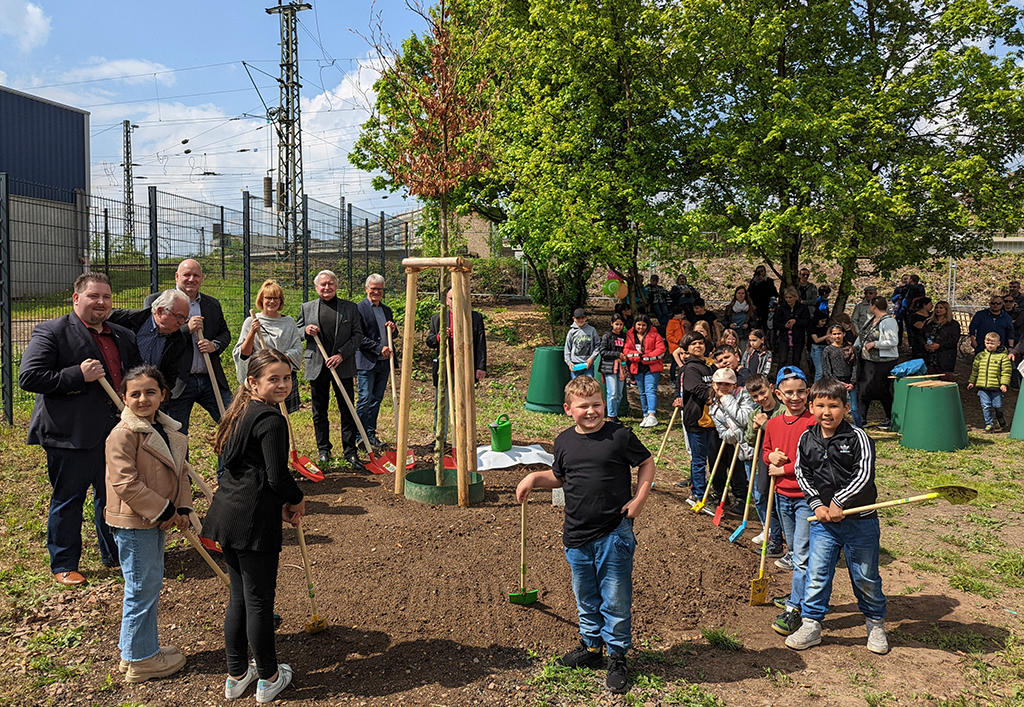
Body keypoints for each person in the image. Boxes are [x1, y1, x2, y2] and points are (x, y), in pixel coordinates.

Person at [515, 376, 655, 695]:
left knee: (615, 597)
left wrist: (640, 497)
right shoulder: (563, 441)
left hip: (614, 532)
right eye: (583, 406)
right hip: (576, 534)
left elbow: (646, 463)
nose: (591, 411)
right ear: (568, 409)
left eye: (597, 404)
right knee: (585, 595)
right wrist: (534, 477)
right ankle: (592, 648)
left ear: (604, 405)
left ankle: (617, 656)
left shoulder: (619, 435)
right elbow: (560, 478)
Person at [19, 273, 141, 586]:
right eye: (94, 296)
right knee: (69, 499)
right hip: (70, 435)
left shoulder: (123, 335)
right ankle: (64, 564)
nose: (101, 302)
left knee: (112, 497)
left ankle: (113, 554)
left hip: (116, 432)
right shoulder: (53, 331)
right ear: (76, 299)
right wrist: (78, 374)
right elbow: (30, 377)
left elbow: (135, 377)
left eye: (107, 297)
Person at [203, 349, 305, 704]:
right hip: (251, 522)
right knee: (259, 601)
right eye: (273, 378)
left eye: (287, 378)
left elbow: (250, 468)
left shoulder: (239, 412)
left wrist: (280, 498)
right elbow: (278, 477)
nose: (282, 384)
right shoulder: (271, 420)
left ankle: (235, 675)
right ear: (252, 382)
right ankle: (269, 677)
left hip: (226, 515)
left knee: (239, 598)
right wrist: (296, 498)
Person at [785, 378, 888, 654]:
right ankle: (811, 623)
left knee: (866, 576)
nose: (826, 412)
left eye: (834, 406)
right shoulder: (807, 438)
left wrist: (840, 501)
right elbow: (802, 473)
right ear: (811, 406)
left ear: (846, 408)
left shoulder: (858, 438)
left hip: (860, 521)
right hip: (824, 524)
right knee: (817, 575)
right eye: (820, 406)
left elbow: (864, 474)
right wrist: (818, 504)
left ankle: (875, 623)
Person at [104, 365, 190, 683]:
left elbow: (179, 473)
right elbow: (126, 484)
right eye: (135, 394)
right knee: (141, 587)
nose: (143, 398)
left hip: (157, 518)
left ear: (163, 395)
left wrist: (181, 507)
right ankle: (140, 660)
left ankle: (140, 649)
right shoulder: (123, 435)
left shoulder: (168, 432)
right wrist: (165, 510)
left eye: (150, 392)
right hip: (135, 521)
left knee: (150, 583)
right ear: (124, 398)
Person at [144, 259, 233, 436]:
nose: (191, 279)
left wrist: (214, 345)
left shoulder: (212, 304)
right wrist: (186, 329)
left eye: (196, 275)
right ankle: (180, 465)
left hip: (210, 378)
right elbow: (151, 338)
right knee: (176, 434)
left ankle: (227, 465)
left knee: (232, 425)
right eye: (187, 275)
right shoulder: (157, 302)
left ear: (202, 279)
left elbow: (225, 333)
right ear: (177, 277)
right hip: (178, 381)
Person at [763, 366, 816, 636]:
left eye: (800, 392)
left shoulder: (813, 423)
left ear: (808, 393)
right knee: (794, 552)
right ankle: (801, 593)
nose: (795, 397)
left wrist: (783, 469)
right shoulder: (772, 423)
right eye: (789, 393)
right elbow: (766, 450)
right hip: (782, 496)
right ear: (779, 394)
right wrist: (770, 458)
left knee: (803, 555)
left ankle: (796, 607)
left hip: (806, 498)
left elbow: (814, 461)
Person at [297, 270, 365, 471]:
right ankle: (324, 450)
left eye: (330, 284)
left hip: (341, 366)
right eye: (322, 284)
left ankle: (350, 452)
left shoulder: (350, 308)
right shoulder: (307, 308)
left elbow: (358, 335)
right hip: (317, 366)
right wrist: (305, 331)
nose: (327, 288)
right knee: (319, 410)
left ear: (336, 286)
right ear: (316, 287)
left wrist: (341, 355)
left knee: (347, 409)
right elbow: (296, 331)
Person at [232, 280, 302, 413]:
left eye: (276, 298)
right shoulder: (251, 321)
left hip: (282, 377)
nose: (272, 301)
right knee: (261, 413)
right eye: (268, 298)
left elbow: (297, 349)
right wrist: (252, 332)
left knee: (282, 417)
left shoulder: (288, 322)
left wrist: (279, 361)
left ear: (280, 301)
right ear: (261, 300)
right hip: (263, 379)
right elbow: (243, 354)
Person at [107, 289, 192, 398]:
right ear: (160, 311)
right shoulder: (127, 320)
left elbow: (170, 377)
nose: (181, 323)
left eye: (185, 319)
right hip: (114, 390)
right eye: (179, 316)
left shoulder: (178, 340)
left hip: (146, 398)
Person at [743, 374, 785, 558]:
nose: (760, 398)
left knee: (779, 501)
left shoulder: (784, 411)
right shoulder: (755, 413)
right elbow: (750, 441)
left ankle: (783, 541)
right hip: (764, 459)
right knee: (761, 498)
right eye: (755, 397)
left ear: (771, 387)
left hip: (782, 460)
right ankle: (774, 539)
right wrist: (754, 427)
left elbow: (782, 436)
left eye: (762, 392)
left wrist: (766, 425)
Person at [355, 274, 399, 449]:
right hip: (367, 362)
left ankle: (371, 435)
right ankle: (360, 436)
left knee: (376, 400)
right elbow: (358, 337)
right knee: (364, 399)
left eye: (379, 289)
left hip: (384, 362)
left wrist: (393, 330)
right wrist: (377, 348)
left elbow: (392, 335)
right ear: (367, 289)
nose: (376, 292)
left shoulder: (386, 310)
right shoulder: (359, 309)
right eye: (373, 288)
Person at [673, 332, 716, 502]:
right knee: (698, 459)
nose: (698, 346)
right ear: (687, 349)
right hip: (696, 418)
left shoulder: (709, 366)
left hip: (711, 419)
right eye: (693, 344)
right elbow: (699, 390)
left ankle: (700, 487)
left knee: (707, 456)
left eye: (701, 343)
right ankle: (698, 493)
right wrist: (714, 396)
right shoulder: (691, 368)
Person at [707, 367, 754, 514]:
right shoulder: (713, 406)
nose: (723, 387)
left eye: (727, 384)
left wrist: (727, 399)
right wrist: (737, 430)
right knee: (720, 462)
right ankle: (721, 494)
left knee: (741, 471)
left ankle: (741, 497)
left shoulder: (743, 395)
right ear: (714, 384)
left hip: (749, 444)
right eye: (719, 383)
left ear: (734, 384)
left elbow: (745, 419)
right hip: (734, 441)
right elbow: (724, 434)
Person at [855, 296, 899, 429]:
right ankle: (862, 419)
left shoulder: (889, 321)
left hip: (883, 362)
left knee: (881, 389)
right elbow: (862, 336)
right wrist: (854, 348)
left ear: (874, 306)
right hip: (867, 360)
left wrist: (875, 344)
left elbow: (893, 341)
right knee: (863, 388)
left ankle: (889, 417)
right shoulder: (871, 320)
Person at [428, 288, 488, 386]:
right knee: (444, 399)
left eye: (458, 298)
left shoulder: (475, 318)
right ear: (447, 301)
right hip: (446, 369)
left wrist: (481, 367)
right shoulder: (438, 319)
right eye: (452, 298)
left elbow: (480, 343)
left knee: (466, 400)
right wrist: (440, 337)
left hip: (466, 368)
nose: (455, 302)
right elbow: (430, 342)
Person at [624, 315, 666, 428]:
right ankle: (645, 415)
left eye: (643, 325)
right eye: (639, 324)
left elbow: (661, 350)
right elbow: (626, 350)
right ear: (635, 325)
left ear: (648, 325)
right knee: (642, 392)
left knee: (650, 390)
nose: (641, 327)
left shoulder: (655, 335)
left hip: (652, 368)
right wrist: (637, 357)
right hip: (637, 368)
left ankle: (652, 415)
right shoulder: (629, 335)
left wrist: (646, 357)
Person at [968, 332, 1012, 432]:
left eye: (992, 343)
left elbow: (1006, 372)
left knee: (998, 406)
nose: (989, 346)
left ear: (998, 343)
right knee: (986, 406)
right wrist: (972, 381)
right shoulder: (980, 356)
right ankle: (989, 424)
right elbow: (975, 370)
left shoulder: (1003, 357)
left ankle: (1000, 419)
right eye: (987, 343)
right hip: (983, 387)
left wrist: (1004, 384)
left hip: (996, 387)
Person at [821, 324, 861, 427]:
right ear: (831, 335)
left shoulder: (851, 348)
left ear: (843, 334)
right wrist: (837, 383)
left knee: (853, 409)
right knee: (836, 406)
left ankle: (860, 429)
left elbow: (855, 367)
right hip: (835, 383)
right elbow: (827, 370)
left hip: (849, 382)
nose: (837, 336)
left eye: (839, 333)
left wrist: (852, 382)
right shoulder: (828, 350)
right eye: (834, 334)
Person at [598, 315, 628, 422]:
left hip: (621, 367)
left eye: (621, 324)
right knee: (612, 393)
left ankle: (615, 414)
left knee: (619, 393)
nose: (619, 327)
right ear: (611, 324)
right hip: (609, 367)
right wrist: (617, 354)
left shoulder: (625, 337)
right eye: (616, 324)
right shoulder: (607, 336)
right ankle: (611, 415)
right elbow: (603, 351)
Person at [774, 287, 811, 372]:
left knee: (796, 360)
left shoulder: (802, 308)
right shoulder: (782, 308)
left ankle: (796, 378)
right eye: (786, 297)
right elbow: (776, 323)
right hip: (784, 336)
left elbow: (807, 321)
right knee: (783, 359)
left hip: (798, 336)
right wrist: (784, 326)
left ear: (795, 297)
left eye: (790, 297)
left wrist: (796, 321)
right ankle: (779, 378)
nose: (788, 300)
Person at [922, 300, 960, 378]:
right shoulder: (929, 323)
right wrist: (925, 345)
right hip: (929, 357)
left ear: (946, 310)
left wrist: (939, 345)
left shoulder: (953, 324)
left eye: (941, 308)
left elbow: (954, 340)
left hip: (945, 357)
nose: (938, 310)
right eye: (936, 308)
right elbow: (921, 336)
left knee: (944, 380)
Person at [564, 308, 602, 379]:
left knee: (589, 387)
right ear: (574, 318)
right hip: (575, 364)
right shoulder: (571, 332)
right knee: (576, 388)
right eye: (578, 318)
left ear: (586, 318)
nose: (580, 320)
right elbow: (567, 348)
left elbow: (598, 345)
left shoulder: (592, 330)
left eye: (582, 318)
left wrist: (592, 358)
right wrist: (569, 363)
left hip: (588, 364)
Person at [665, 306, 689, 384]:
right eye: (681, 314)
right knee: (674, 363)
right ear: (676, 315)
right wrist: (678, 341)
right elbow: (669, 336)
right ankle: (672, 379)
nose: (682, 316)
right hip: (674, 347)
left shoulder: (681, 323)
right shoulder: (671, 323)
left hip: (682, 346)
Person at [808, 310, 830, 383]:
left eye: (825, 321)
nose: (823, 323)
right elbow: (816, 340)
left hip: (825, 348)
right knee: (819, 371)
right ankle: (815, 388)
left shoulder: (825, 328)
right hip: (816, 349)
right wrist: (827, 336)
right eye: (822, 321)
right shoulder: (812, 328)